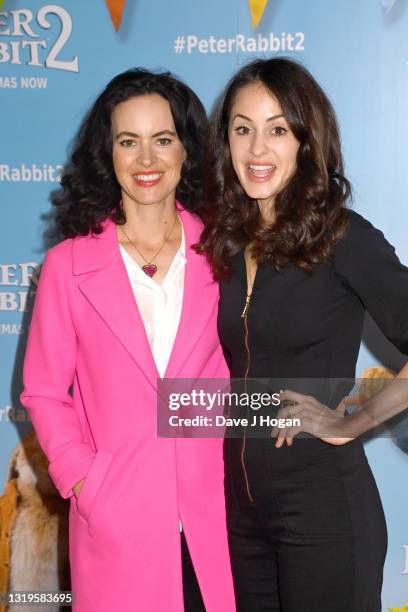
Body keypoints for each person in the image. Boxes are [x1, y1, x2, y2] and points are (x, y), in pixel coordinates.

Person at [20, 68, 236, 612]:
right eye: (128, 141)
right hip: (118, 522)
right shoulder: (67, 267)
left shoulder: (226, 252)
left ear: (187, 150)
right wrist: (84, 481)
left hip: (222, 513)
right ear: (107, 153)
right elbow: (44, 392)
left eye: (163, 140)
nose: (147, 160)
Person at [198, 57, 408, 611]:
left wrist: (353, 421)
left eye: (277, 130)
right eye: (243, 129)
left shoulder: (343, 236)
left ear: (305, 140)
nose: (257, 149)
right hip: (243, 518)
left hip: (323, 512)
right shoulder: (227, 241)